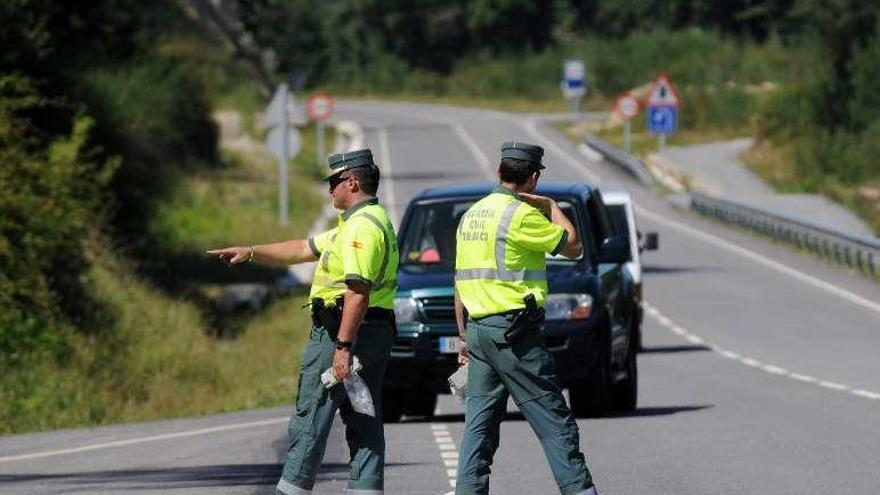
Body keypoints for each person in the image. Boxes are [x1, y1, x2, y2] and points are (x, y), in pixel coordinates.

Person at [207, 149, 399, 495]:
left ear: (352, 182)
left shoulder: (360, 230)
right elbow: (300, 248)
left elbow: (357, 292)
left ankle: (290, 490)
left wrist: (342, 347)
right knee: (363, 420)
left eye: (334, 183)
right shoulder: (364, 222)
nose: (330, 191)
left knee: (311, 417)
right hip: (370, 331)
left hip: (342, 331)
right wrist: (250, 251)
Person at [453, 141, 598, 495]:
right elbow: (574, 245)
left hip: (478, 331)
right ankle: (579, 491)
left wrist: (463, 336)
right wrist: (552, 206)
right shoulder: (522, 216)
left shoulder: (472, 216)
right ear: (533, 178)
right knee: (553, 419)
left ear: (499, 171)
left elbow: (459, 281)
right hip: (514, 335)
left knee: (479, 427)